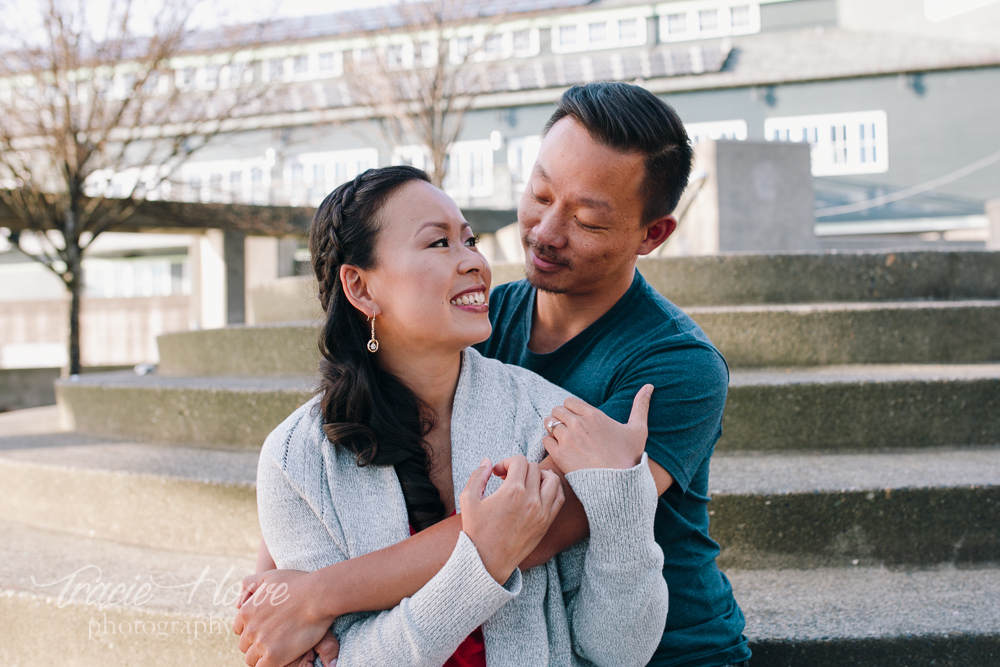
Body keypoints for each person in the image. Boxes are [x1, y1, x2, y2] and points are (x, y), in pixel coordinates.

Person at [236, 81, 750, 667]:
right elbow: (331, 444)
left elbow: (529, 531)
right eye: (540, 193)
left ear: (651, 234)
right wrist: (274, 584)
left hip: (669, 644)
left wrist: (316, 597)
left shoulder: (677, 365)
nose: (545, 231)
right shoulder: (480, 318)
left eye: (587, 220)